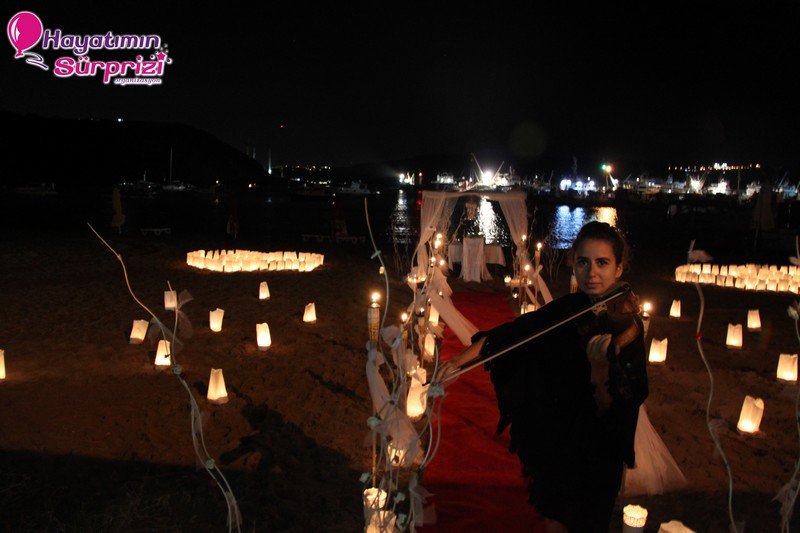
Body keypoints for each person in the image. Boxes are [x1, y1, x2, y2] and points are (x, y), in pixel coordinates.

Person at [438, 221, 648, 532]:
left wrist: (600, 370)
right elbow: (514, 332)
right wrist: (457, 362)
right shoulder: (572, 306)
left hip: (595, 448)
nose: (591, 273)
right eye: (583, 262)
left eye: (602, 263)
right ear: (573, 264)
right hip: (559, 437)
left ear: (619, 269)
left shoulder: (626, 326)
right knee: (553, 519)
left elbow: (621, 405)